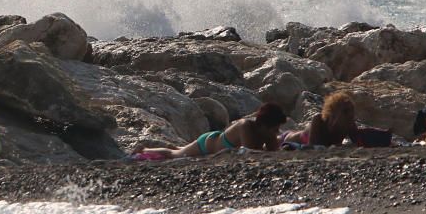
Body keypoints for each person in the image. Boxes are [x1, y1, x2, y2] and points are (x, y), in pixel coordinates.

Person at [133, 103, 287, 159]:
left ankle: (167, 146)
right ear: (263, 126)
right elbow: (249, 153)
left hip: (217, 142)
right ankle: (144, 149)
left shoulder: (268, 133)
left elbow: (273, 152)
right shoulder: (245, 126)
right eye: (275, 129)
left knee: (180, 149)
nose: (277, 132)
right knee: (175, 155)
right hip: (207, 144)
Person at [281, 92, 358, 147]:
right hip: (288, 138)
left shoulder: (349, 123)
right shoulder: (318, 120)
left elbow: (358, 142)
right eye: (345, 111)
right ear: (333, 112)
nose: (350, 116)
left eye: (351, 111)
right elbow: (313, 146)